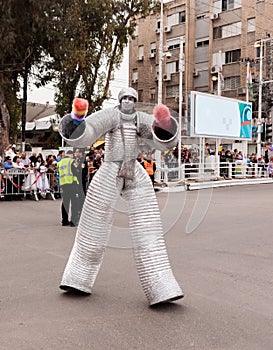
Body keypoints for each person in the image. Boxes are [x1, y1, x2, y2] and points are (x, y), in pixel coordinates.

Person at [58, 90, 183, 306]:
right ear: (120, 101)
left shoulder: (141, 119)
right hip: (110, 168)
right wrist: (77, 120)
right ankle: (77, 278)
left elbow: (160, 140)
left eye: (131, 99)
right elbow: (91, 130)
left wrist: (165, 125)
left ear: (134, 102)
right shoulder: (111, 116)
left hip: (134, 169)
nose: (128, 102)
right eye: (125, 98)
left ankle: (162, 286)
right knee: (92, 225)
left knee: (149, 228)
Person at [57, 150, 79, 226]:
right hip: (72, 184)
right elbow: (76, 172)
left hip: (64, 184)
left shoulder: (60, 163)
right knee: (74, 203)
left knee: (65, 203)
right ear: (70, 155)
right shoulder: (71, 161)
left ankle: (64, 221)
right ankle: (73, 221)